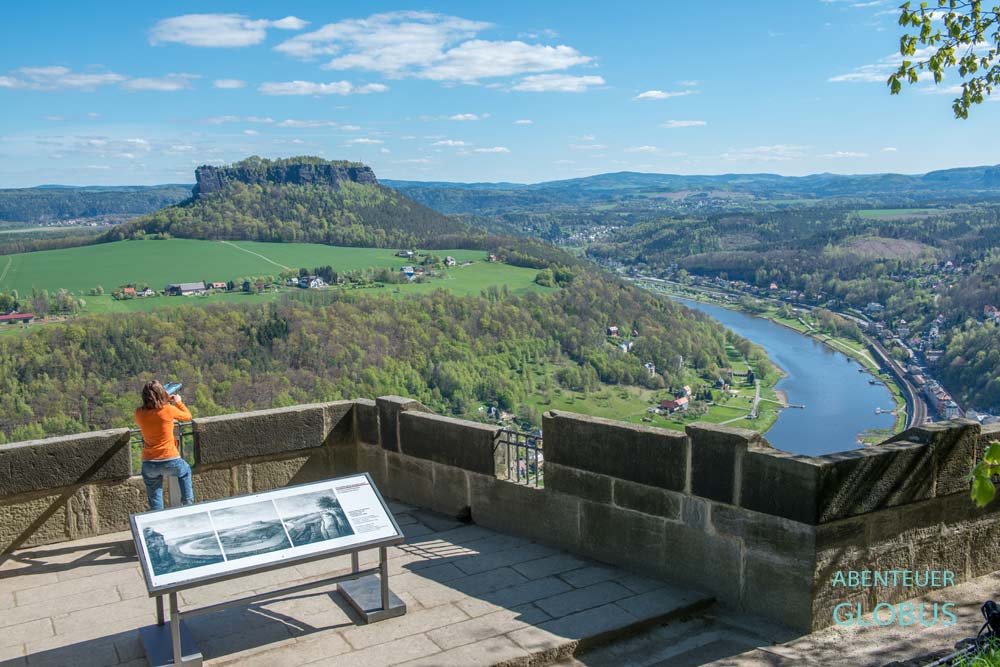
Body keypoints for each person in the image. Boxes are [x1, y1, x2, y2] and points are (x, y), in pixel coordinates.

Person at [135, 380, 194, 510]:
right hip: (170, 459)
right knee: (185, 472)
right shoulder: (168, 410)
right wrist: (177, 401)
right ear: (161, 394)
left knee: (155, 497)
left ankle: (158, 517)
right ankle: (188, 506)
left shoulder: (139, 413)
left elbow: (153, 415)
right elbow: (188, 416)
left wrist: (162, 400)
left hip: (149, 462)